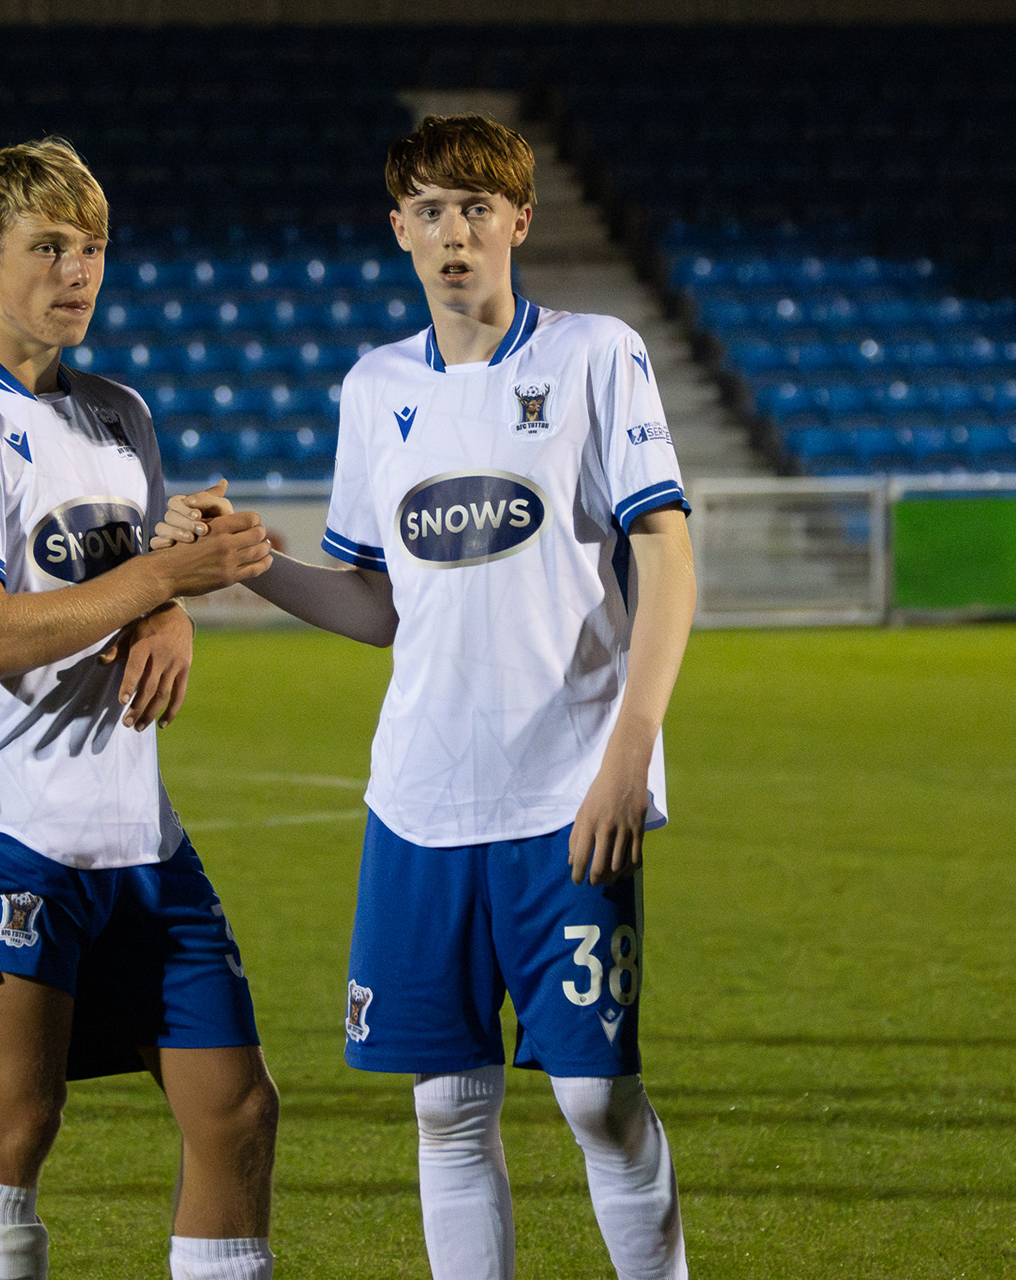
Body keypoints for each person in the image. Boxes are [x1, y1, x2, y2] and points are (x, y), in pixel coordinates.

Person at [154, 114, 695, 1279]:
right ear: (399, 231)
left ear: (520, 220)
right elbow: (379, 603)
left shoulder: (598, 355)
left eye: (479, 208)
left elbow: (671, 556)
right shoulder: (374, 387)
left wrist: (629, 755)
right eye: (434, 212)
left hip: (568, 795)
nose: (458, 233)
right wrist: (256, 563)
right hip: (420, 803)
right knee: (448, 1105)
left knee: (598, 1099)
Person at [0, 137, 281, 1280]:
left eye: (93, 248)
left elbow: (148, 565)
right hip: (5, 825)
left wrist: (173, 605)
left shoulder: (121, 413)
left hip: (138, 829)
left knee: (239, 1111)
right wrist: (161, 584)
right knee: (16, 1122)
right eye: (47, 246)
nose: (77, 270)